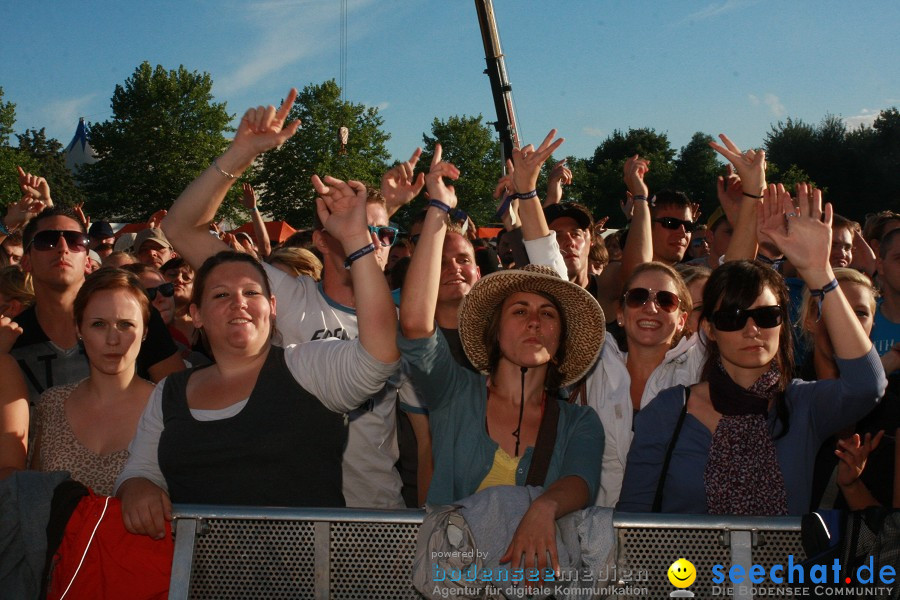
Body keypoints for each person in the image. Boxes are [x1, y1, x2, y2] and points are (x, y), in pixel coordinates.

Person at [160, 89, 413, 509]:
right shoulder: (282, 295)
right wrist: (239, 153)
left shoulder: (405, 322)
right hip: (291, 508)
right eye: (353, 228)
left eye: (383, 233)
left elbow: (424, 433)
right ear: (319, 238)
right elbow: (181, 228)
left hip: (375, 513)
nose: (371, 241)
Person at [399, 142, 604, 575]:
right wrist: (437, 208)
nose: (534, 321)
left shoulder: (580, 422)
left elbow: (581, 482)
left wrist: (544, 507)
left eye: (548, 313)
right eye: (519, 311)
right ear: (495, 330)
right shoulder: (455, 393)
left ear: (561, 336)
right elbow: (416, 324)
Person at [619, 185, 887, 515]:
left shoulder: (802, 406)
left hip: (784, 569)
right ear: (710, 330)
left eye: (766, 315)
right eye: (732, 318)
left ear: (781, 324)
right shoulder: (669, 409)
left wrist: (819, 271)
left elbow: (867, 385)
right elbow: (633, 520)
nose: (752, 329)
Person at [117, 244, 399, 538]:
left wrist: (356, 241)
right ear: (196, 315)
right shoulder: (169, 392)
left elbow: (381, 354)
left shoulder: (308, 367)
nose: (239, 302)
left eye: (252, 292)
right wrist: (137, 486)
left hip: (306, 578)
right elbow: (141, 469)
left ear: (273, 307)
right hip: (201, 579)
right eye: (221, 294)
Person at [7, 207, 183, 396]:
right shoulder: (9, 339)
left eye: (75, 241)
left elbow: (179, 400)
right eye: (46, 241)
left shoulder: (135, 318)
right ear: (25, 261)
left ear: (87, 260)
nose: (63, 248)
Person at [30, 269, 155, 495]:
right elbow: (32, 501)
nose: (112, 339)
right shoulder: (52, 405)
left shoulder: (167, 408)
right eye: (98, 324)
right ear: (79, 329)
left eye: (126, 324)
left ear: (145, 331)